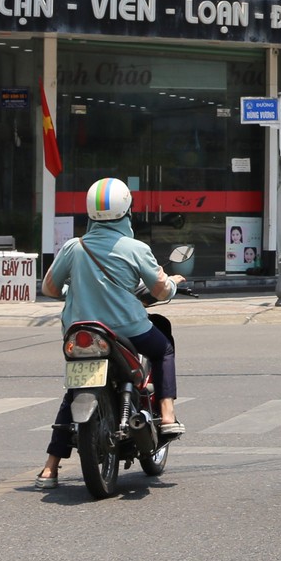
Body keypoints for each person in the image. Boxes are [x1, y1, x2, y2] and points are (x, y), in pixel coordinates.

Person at [34, 178, 185, 488]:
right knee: (163, 347)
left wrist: (72, 289)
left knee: (75, 389)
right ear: (127, 210)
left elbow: (49, 287)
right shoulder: (136, 248)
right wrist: (174, 283)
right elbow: (160, 289)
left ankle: (50, 468)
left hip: (81, 333)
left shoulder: (74, 247)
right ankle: (167, 415)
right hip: (129, 332)